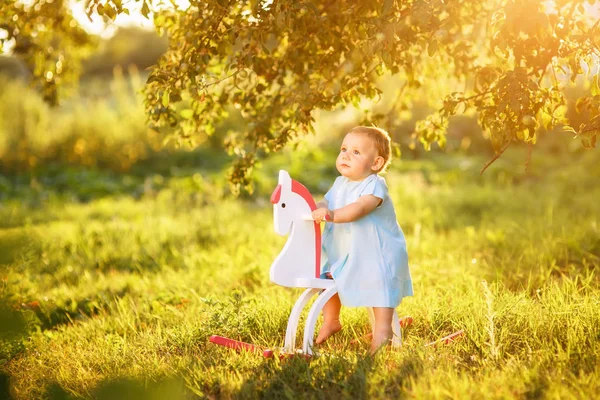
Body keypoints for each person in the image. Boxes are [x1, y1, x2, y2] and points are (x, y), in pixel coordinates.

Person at [311, 125, 413, 353]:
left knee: (380, 286)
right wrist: (317, 208)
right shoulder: (340, 184)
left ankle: (383, 330)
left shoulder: (375, 185)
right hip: (348, 251)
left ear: (375, 164)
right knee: (328, 277)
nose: (345, 155)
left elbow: (359, 208)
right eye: (344, 148)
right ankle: (331, 320)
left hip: (377, 253)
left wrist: (333, 215)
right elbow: (326, 202)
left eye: (356, 152)